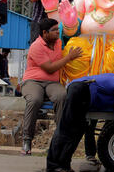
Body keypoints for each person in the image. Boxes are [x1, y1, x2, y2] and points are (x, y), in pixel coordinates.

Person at [21, 18, 82, 155]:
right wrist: (69, 58)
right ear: (44, 33)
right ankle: (27, 139)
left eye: (57, 29)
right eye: (54, 30)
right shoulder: (36, 46)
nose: (57, 32)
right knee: (35, 100)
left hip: (52, 82)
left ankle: (60, 139)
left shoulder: (58, 42)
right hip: (33, 81)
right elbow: (49, 68)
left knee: (62, 96)